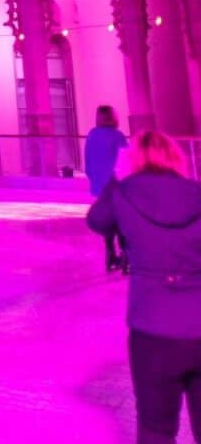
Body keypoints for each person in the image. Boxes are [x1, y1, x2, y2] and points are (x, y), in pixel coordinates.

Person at [87, 130, 201, 444]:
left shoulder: (124, 193)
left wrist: (116, 179)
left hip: (153, 330)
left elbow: (96, 220)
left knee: (156, 429)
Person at [84, 104, 129, 273]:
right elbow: (126, 160)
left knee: (108, 218)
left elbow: (88, 161)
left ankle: (110, 254)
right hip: (117, 184)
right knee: (121, 219)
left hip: (100, 185)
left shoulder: (92, 136)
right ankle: (126, 255)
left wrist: (94, 178)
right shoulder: (117, 137)